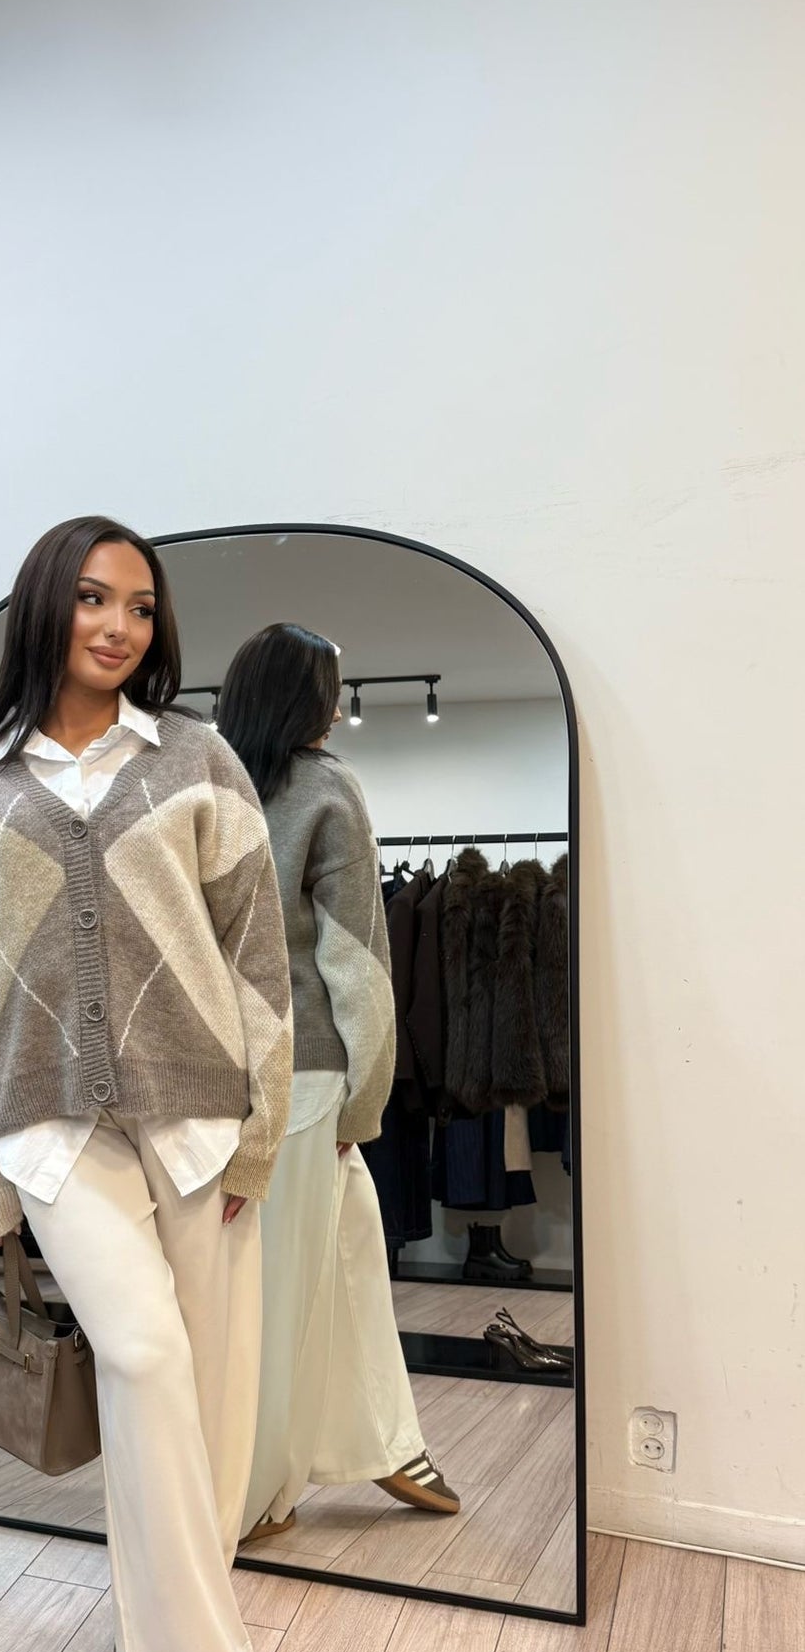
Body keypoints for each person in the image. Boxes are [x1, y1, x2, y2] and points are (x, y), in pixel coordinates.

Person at [0, 517, 297, 1652]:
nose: (118, 625)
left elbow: (258, 959)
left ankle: (161, 1636)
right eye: (91, 598)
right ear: (45, 608)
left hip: (199, 1122)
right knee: (142, 1357)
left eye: (139, 605)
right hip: (51, 1132)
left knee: (206, 1407)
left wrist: (260, 1130)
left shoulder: (197, 761)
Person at [216, 623, 460, 1545]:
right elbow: (356, 960)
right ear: (308, 698)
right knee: (278, 1288)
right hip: (305, 1069)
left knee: (346, 1247)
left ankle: (386, 1438)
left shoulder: (206, 783)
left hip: (215, 1071)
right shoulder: (326, 789)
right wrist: (368, 1099)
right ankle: (259, 1492)